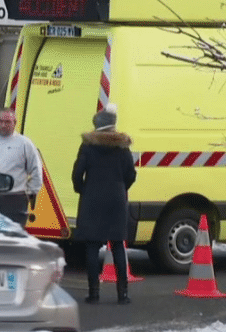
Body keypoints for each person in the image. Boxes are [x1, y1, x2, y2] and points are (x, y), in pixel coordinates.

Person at [72, 103, 137, 305]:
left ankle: (94, 293)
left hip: (92, 198)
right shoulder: (122, 146)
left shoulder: (88, 145)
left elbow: (76, 174)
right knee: (117, 245)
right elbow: (131, 175)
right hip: (116, 200)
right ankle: (122, 295)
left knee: (92, 247)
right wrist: (120, 187)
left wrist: (83, 189)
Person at [0, 107, 42, 226]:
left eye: (7, 122)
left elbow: (36, 172)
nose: (3, 125)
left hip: (14, 200)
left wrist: (29, 193)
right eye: (0, 121)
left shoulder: (25, 144)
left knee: (11, 237)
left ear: (15, 123)